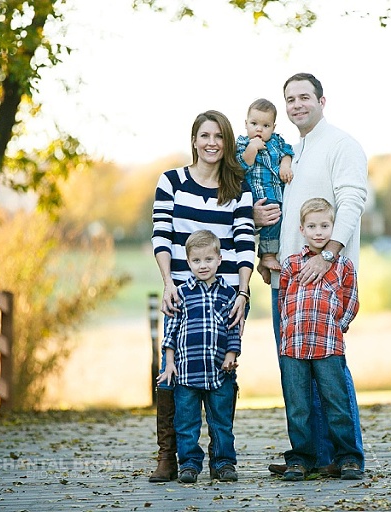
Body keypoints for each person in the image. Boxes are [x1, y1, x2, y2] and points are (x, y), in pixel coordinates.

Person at [254, 73, 369, 477]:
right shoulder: (294, 151)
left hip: (325, 276)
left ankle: (348, 455)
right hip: (288, 278)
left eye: (305, 97)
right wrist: (267, 254)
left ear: (322, 101)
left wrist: (329, 254)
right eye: (290, 99)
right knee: (296, 375)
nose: (297, 105)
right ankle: (315, 456)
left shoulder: (341, 145)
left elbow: (352, 201)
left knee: (330, 371)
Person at [150, 110, 255, 483]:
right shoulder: (172, 181)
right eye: (205, 135)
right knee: (173, 372)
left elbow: (245, 241)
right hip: (182, 292)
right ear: (194, 140)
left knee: (224, 372)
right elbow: (161, 234)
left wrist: (243, 293)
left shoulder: (237, 186)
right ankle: (170, 456)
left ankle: (221, 459)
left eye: (219, 136)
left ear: (227, 142)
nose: (212, 143)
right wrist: (168, 283)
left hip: (227, 296)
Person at [278, 198, 363, 481]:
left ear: (333, 228)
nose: (318, 232)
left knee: (336, 403)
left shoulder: (343, 266)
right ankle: (301, 459)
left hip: (328, 346)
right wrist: (287, 330)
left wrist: (338, 327)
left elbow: (351, 300)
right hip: (294, 346)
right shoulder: (291, 265)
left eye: (325, 226)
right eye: (312, 226)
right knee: (298, 407)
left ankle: (348, 458)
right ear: (302, 229)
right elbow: (283, 301)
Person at [157, 230, 242, 484]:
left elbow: (233, 329)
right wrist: (169, 363)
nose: (202, 265)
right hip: (187, 371)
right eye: (196, 260)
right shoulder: (181, 294)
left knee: (221, 423)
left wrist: (230, 355)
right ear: (188, 262)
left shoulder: (228, 294)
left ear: (219, 259)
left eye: (208, 259)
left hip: (219, 372)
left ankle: (223, 463)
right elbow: (171, 332)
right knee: (186, 423)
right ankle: (189, 464)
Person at [236, 98, 295, 272]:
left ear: (273, 127)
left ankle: (265, 261)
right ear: (246, 124)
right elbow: (241, 166)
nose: (259, 129)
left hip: (277, 191)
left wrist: (285, 165)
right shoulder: (242, 143)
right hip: (257, 193)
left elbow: (288, 152)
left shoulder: (277, 141)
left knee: (279, 222)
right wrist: (252, 149)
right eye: (254, 124)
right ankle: (267, 255)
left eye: (266, 125)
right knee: (270, 217)